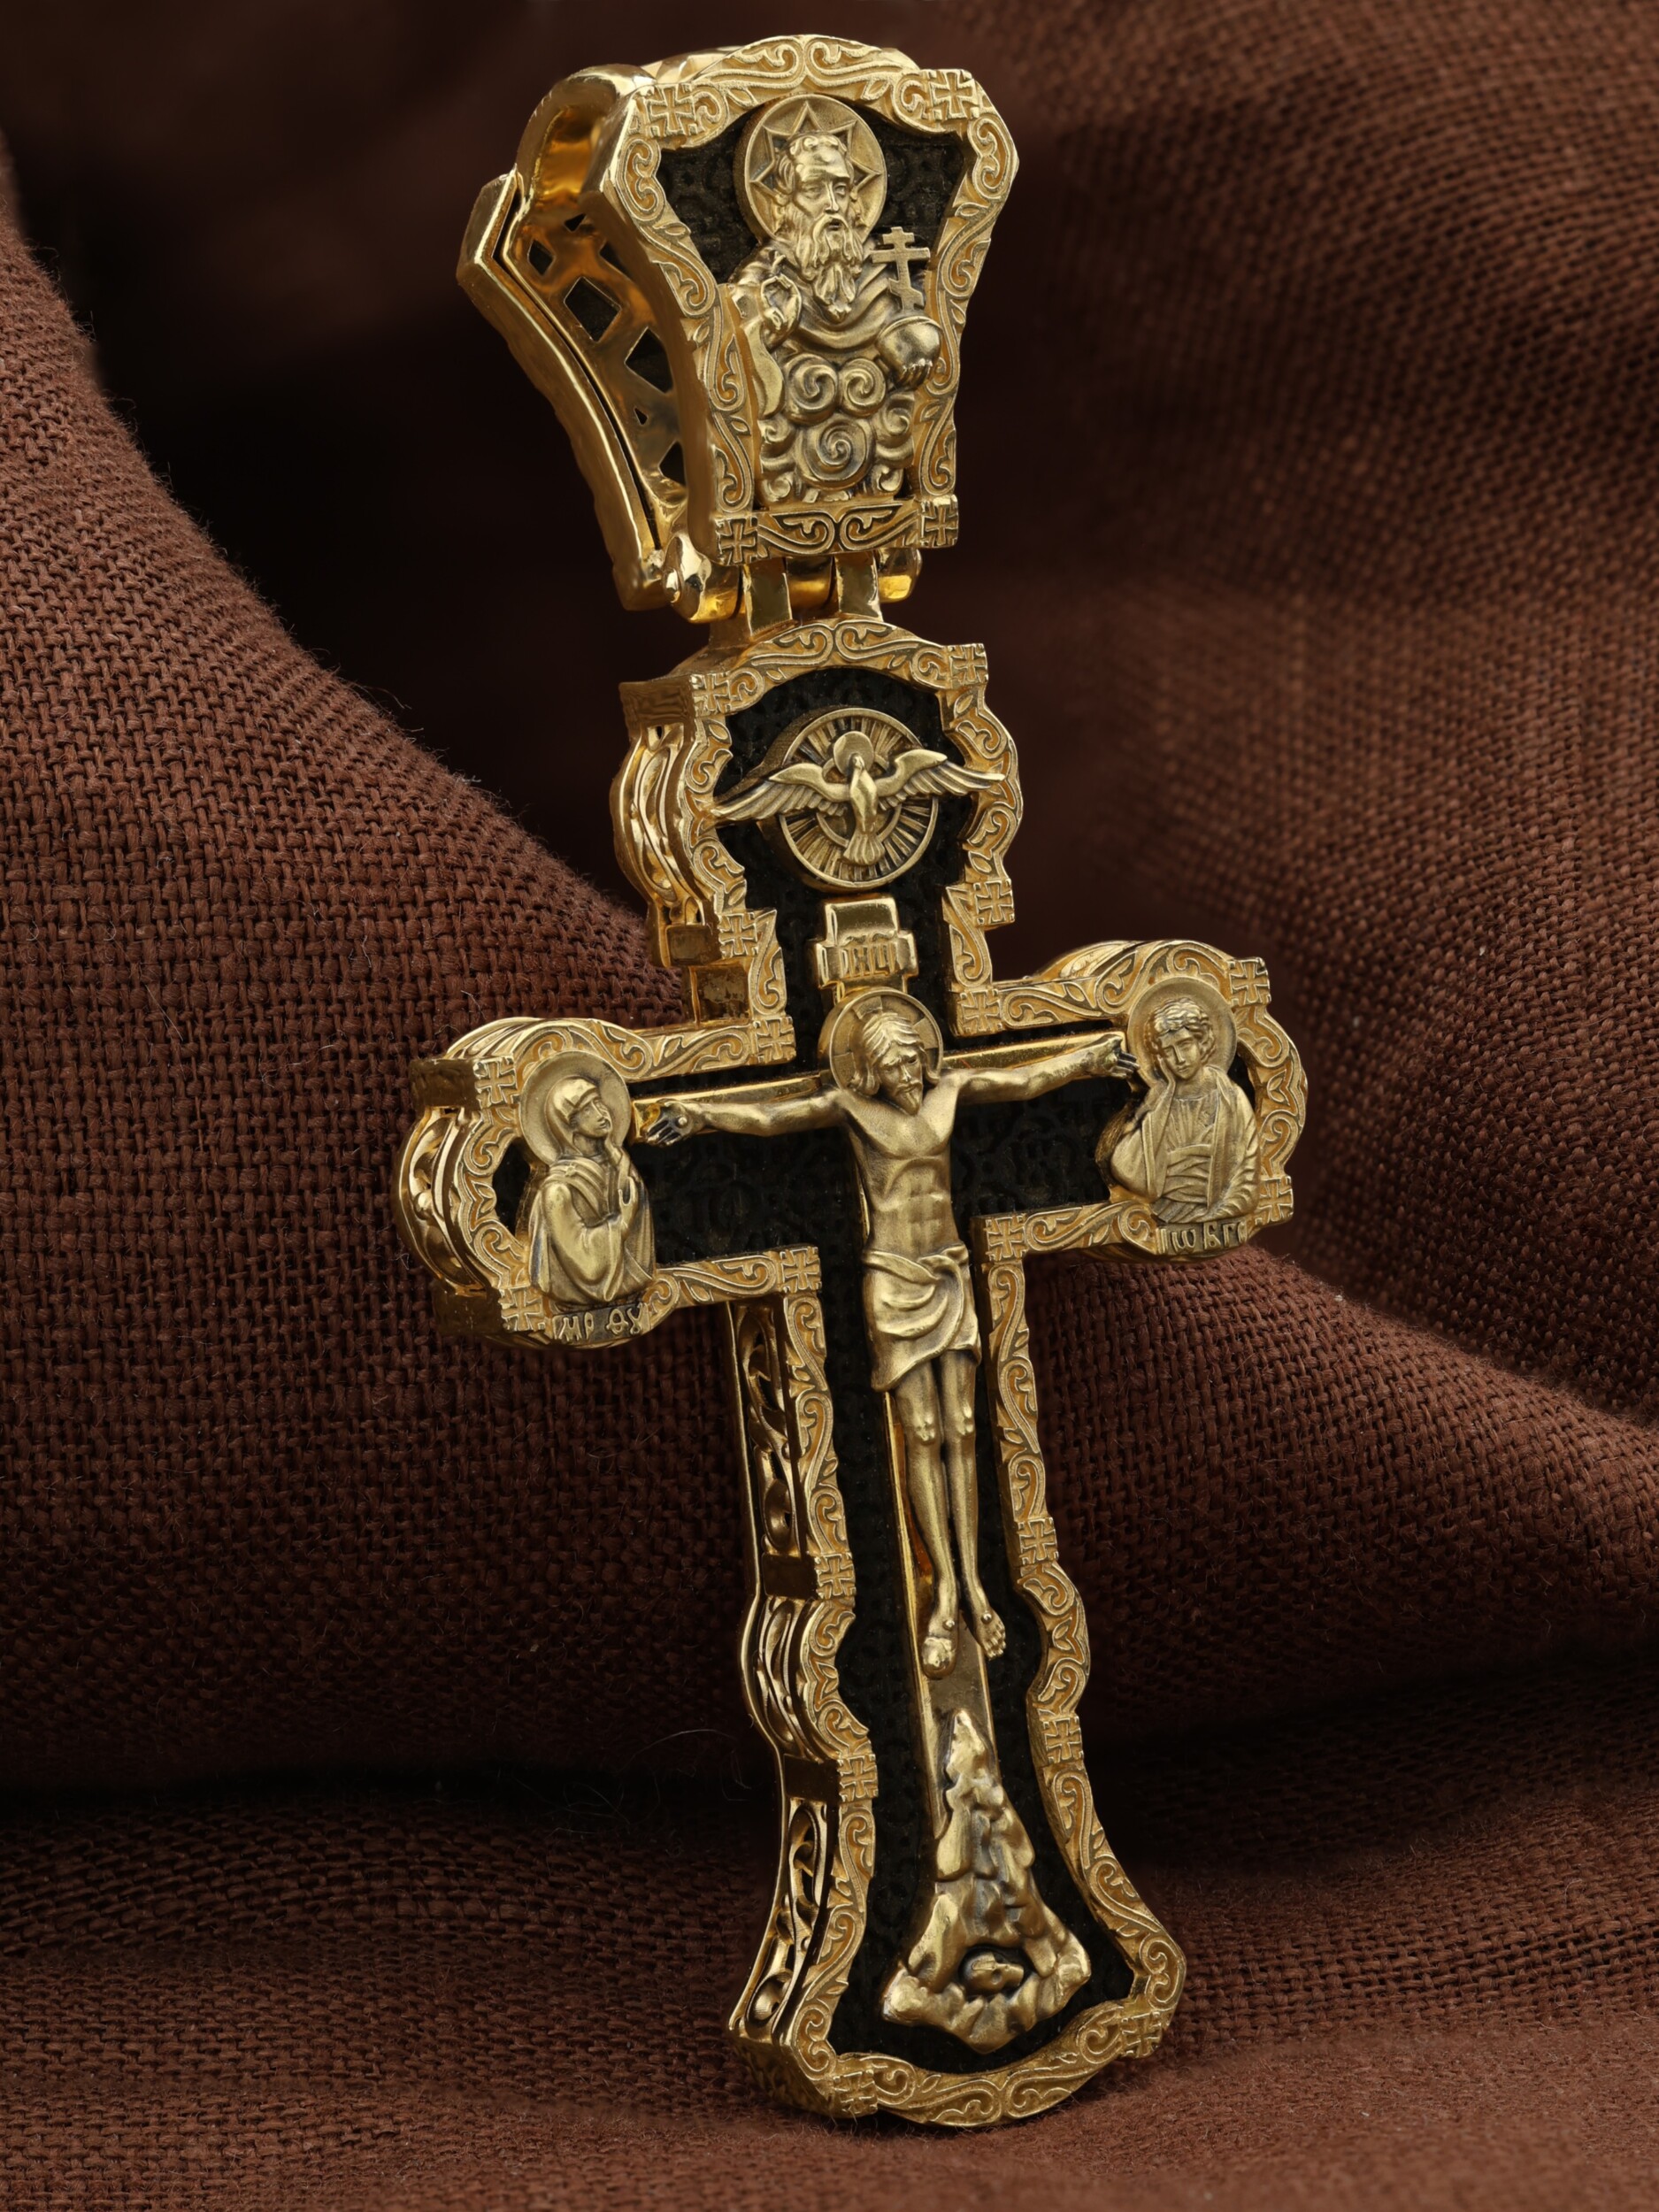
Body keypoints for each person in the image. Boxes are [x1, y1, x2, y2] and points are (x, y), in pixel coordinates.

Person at [646, 996, 1131, 1676]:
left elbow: (1024, 1078)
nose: (905, 1074)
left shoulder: (950, 1090)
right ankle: (944, 1591)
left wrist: (1089, 1057)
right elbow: (770, 1117)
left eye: (910, 1061)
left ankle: (975, 1584)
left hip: (949, 1271)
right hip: (895, 1281)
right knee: (921, 1432)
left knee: (964, 1427)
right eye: (892, 1065)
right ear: (870, 1070)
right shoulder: (851, 1108)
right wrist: (698, 1114)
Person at [728, 113, 943, 503]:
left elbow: (918, 319)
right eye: (814, 189)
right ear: (784, 201)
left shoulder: (884, 271)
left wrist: (918, 346)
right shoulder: (764, 282)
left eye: (841, 189)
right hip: (785, 480)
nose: (831, 205)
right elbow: (734, 353)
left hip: (880, 473)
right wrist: (767, 332)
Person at [1108, 995, 1258, 1223]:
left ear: (1202, 1042)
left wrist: (1213, 1214)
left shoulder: (1231, 1099)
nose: (1179, 1058)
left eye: (1185, 1045)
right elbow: (1126, 1166)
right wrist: (1161, 1104)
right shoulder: (1157, 1102)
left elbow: (1247, 1182)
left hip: (1218, 1215)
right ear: (1160, 1058)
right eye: (1168, 1051)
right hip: (1162, 1214)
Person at [522, 1071, 655, 1310]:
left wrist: (617, 1158)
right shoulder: (558, 1190)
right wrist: (622, 1223)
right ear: (569, 1124)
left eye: (598, 1102)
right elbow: (585, 1263)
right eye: (587, 1109)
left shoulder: (620, 1166)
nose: (601, 1112)